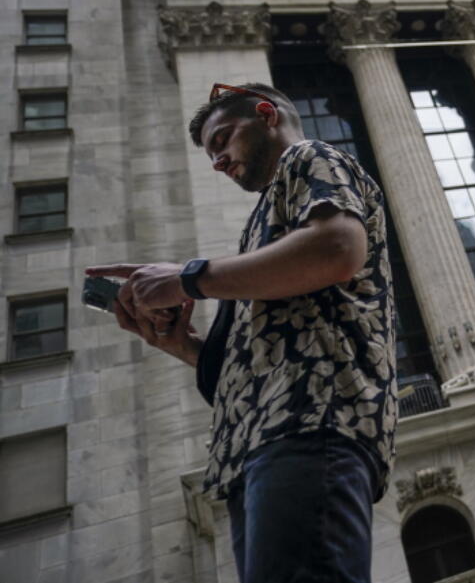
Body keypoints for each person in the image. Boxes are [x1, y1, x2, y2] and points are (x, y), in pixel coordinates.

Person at [86, 82, 395, 583]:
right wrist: (180, 346)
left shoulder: (307, 157)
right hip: (253, 446)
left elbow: (339, 249)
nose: (218, 161)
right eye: (212, 153)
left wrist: (190, 279)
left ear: (267, 115)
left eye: (223, 140)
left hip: (311, 418)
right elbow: (259, 356)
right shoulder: (261, 223)